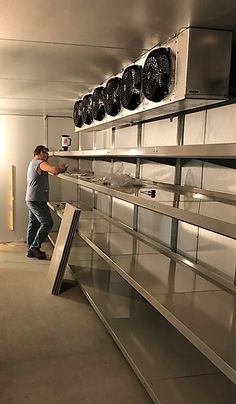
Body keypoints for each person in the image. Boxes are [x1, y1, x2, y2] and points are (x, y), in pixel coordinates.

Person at [25, 145, 67, 259]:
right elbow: (53, 170)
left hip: (32, 198)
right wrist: (62, 168)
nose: (47, 156)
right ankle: (34, 247)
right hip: (36, 200)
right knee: (47, 223)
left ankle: (31, 249)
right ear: (38, 152)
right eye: (45, 153)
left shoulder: (32, 162)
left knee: (33, 224)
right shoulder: (39, 162)